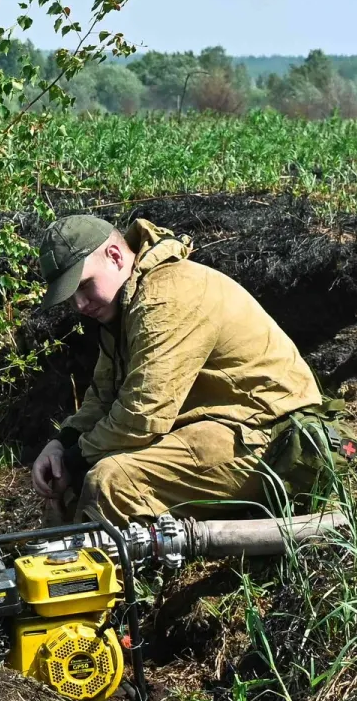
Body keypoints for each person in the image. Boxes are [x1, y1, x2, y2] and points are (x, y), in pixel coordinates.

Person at [30, 214, 324, 527]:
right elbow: (103, 396)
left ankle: (96, 574)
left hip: (274, 439)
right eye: (70, 297)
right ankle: (50, 566)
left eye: (84, 286)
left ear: (115, 257)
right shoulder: (125, 306)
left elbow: (141, 417)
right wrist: (62, 443)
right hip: (221, 428)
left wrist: (75, 459)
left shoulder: (165, 297)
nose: (80, 305)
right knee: (72, 476)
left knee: (110, 480)